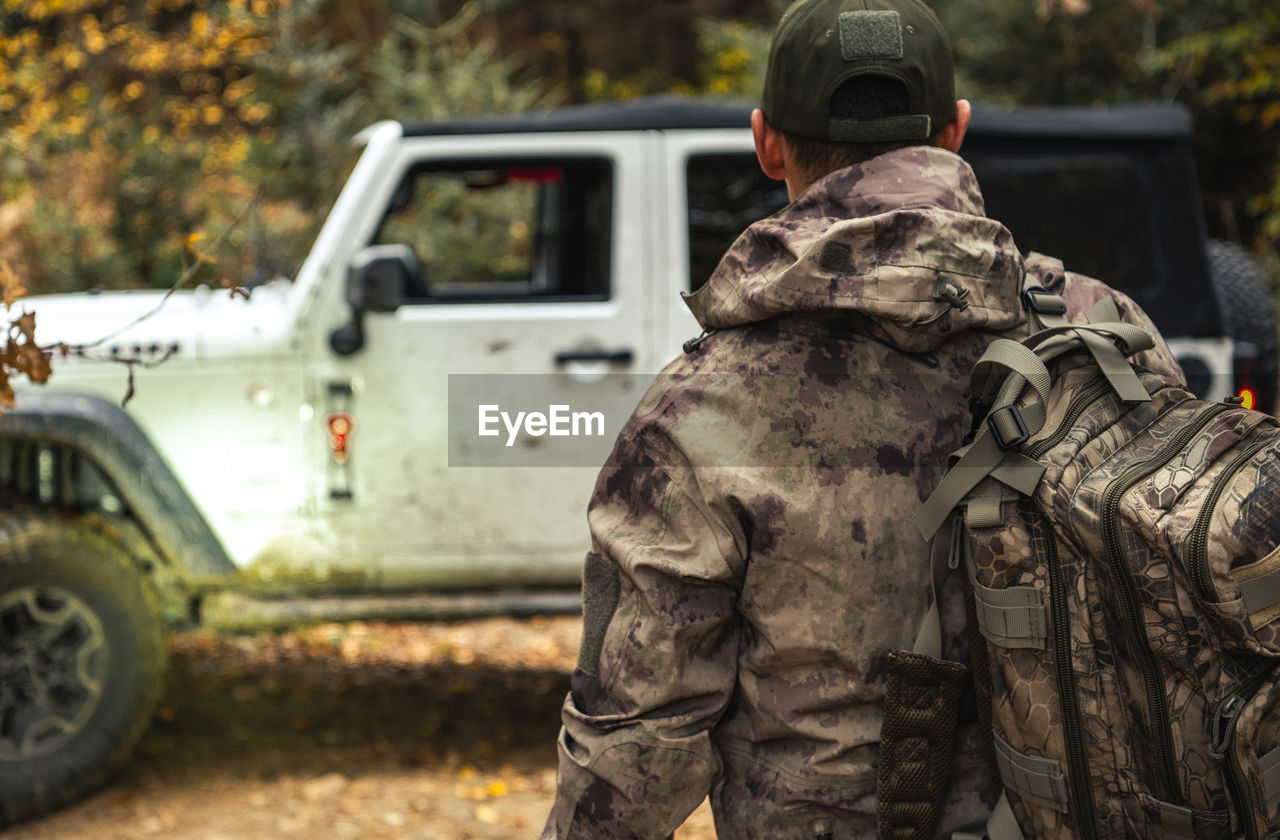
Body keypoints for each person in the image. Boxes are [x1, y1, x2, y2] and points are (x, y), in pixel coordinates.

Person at [542, 0, 1184, 837]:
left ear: (765, 140)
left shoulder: (699, 410)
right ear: (955, 130)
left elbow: (631, 757)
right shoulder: (1104, 333)